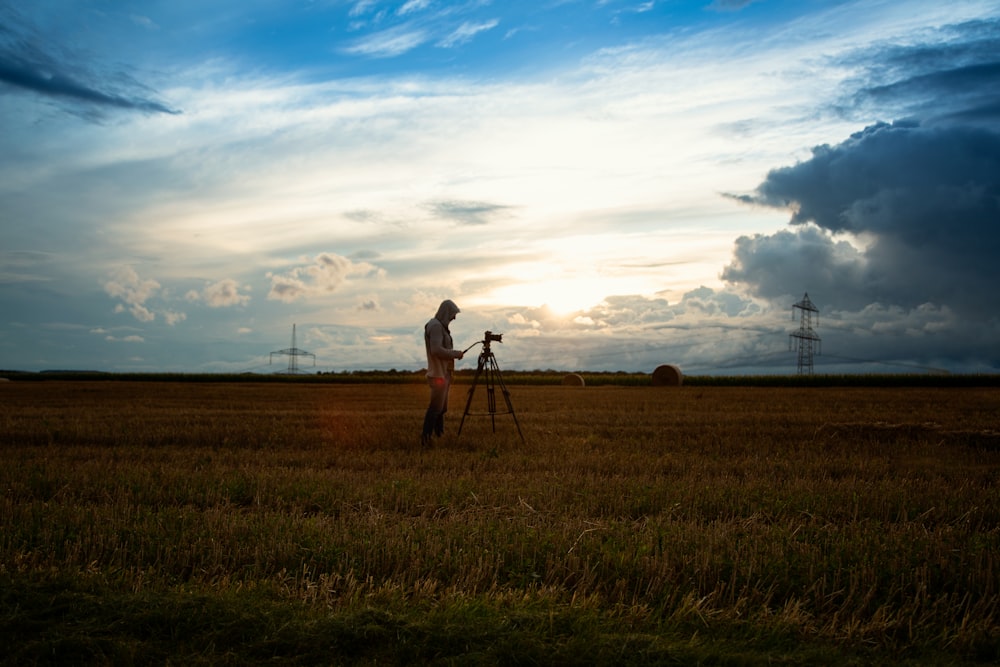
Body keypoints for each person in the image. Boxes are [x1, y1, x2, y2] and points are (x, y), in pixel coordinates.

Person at [422, 299, 464, 447]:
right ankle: (426, 439)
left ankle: (439, 435)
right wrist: (454, 354)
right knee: (435, 409)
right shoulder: (435, 326)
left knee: (441, 408)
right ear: (446, 312)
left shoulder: (439, 326)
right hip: (438, 375)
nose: (454, 317)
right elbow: (436, 350)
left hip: (444, 374)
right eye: (453, 314)